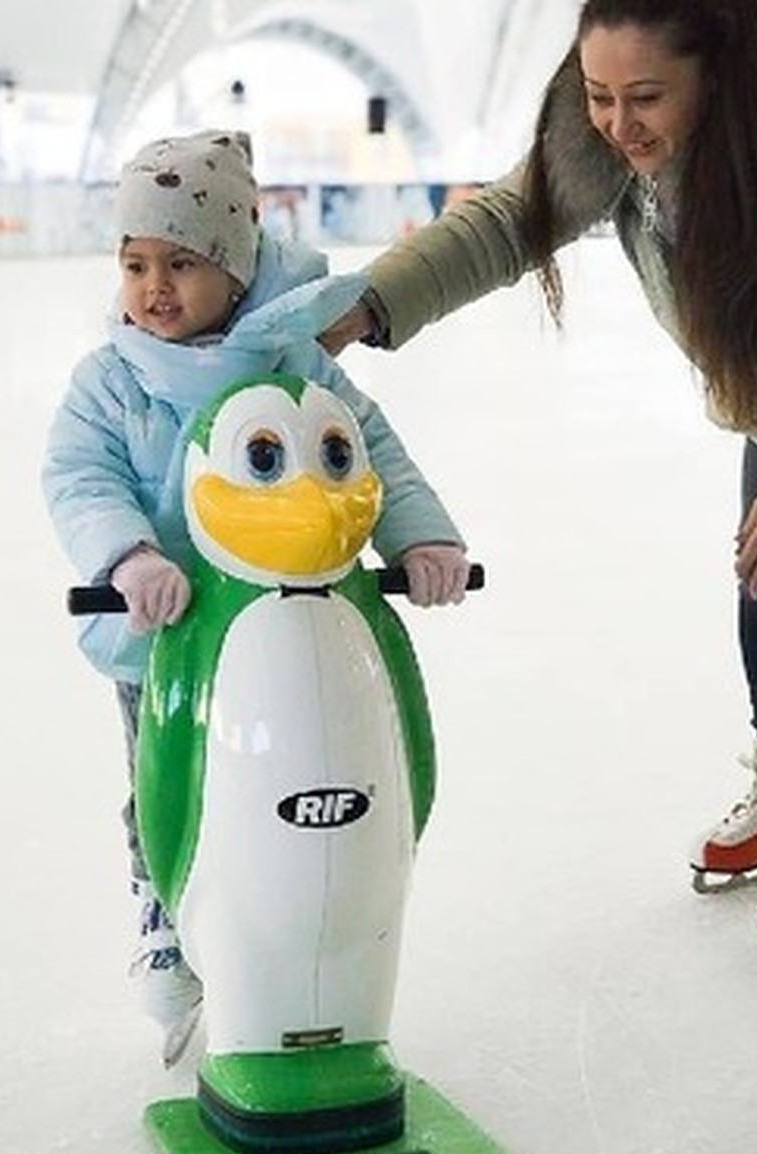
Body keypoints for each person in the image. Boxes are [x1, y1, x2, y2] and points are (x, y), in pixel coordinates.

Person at [319, 0, 757, 934]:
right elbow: (502, 226)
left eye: (645, 97)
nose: (618, 124)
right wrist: (366, 308)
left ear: (717, 80)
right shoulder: (606, 140)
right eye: (598, 94)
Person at [42, 130, 471, 1058]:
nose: (154, 288)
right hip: (165, 639)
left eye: (182, 264)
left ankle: (320, 922)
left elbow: (368, 450)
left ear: (236, 272)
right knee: (163, 777)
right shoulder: (112, 381)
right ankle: (164, 902)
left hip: (294, 623)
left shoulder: (292, 363)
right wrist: (128, 560)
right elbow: (80, 477)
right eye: (135, 264)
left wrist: (424, 537)